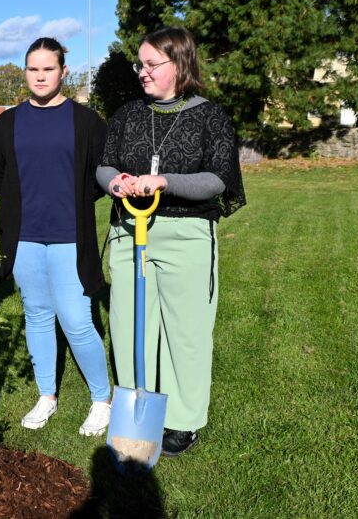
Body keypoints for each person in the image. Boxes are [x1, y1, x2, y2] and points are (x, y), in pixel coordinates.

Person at [97, 26, 246, 456]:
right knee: (129, 326)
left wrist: (164, 181)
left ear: (179, 64)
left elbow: (217, 179)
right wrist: (116, 183)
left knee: (186, 331)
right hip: (129, 232)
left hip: (186, 234)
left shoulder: (210, 116)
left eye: (151, 64)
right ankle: (137, 412)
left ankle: (183, 420)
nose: (142, 72)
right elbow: (105, 165)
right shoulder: (127, 115)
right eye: (139, 64)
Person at [0, 37, 112, 436]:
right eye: (33, 69)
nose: (40, 77)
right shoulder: (8, 123)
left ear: (63, 72)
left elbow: (99, 177)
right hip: (24, 238)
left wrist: (69, 203)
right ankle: (47, 395)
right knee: (38, 315)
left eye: (48, 69)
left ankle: (102, 400)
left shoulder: (86, 122)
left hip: (70, 236)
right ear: (25, 71)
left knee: (76, 319)